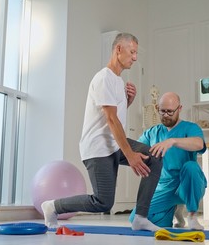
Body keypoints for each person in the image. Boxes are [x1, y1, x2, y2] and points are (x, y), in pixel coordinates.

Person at [41, 33, 162, 232]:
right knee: (103, 202)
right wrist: (130, 155)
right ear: (118, 50)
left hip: (113, 143)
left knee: (154, 156)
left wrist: (128, 103)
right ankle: (52, 206)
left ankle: (140, 217)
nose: (135, 57)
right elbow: (111, 119)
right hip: (98, 147)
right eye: (132, 52)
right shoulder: (104, 78)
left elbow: (114, 117)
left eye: (136, 53)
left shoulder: (117, 81)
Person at [129, 92, 207, 230]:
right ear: (157, 108)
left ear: (180, 108)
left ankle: (192, 215)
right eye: (162, 111)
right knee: (136, 218)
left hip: (186, 184)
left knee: (191, 167)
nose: (165, 115)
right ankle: (176, 211)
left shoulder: (191, 128)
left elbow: (199, 144)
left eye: (170, 112)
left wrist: (172, 141)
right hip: (164, 187)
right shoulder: (152, 132)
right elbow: (136, 149)